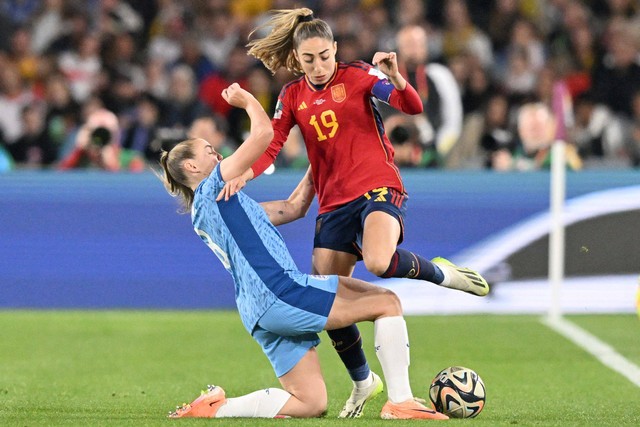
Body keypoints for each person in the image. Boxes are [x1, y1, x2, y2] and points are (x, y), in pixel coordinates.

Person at [220, 8, 489, 418]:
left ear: (335, 50)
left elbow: (410, 106)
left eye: (325, 56)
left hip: (377, 184)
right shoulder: (291, 96)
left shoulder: (360, 75)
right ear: (296, 58)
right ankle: (363, 381)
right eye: (308, 59)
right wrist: (244, 175)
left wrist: (397, 75)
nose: (318, 65)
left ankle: (442, 274)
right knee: (329, 298)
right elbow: (271, 145)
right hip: (332, 203)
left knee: (380, 263)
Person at [159, 82, 448, 420]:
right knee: (388, 303)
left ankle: (218, 408)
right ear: (192, 168)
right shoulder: (211, 189)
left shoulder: (221, 207)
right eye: (208, 150)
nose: (218, 154)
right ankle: (400, 402)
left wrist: (321, 157)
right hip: (279, 292)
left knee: (310, 403)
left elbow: (294, 207)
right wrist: (247, 100)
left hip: (258, 311)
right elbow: (264, 133)